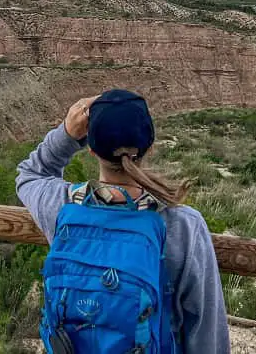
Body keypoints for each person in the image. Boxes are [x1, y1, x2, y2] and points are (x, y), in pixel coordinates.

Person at [16, 89, 230, 353]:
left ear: (92, 150)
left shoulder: (62, 206)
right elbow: (205, 331)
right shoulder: (183, 225)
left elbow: (30, 174)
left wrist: (67, 135)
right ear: (150, 146)